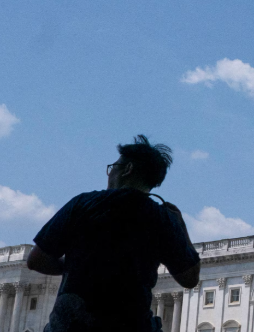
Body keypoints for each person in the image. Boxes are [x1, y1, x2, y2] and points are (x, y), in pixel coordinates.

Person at [26, 135, 200, 332]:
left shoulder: (82, 204)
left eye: (113, 167)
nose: (109, 174)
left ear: (127, 169)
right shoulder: (163, 218)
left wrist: (70, 266)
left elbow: (35, 260)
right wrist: (181, 226)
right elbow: (190, 278)